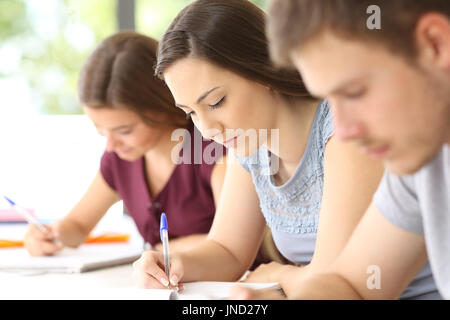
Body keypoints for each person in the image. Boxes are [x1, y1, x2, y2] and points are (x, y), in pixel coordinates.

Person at [129, 0, 434, 299]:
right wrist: (176, 263)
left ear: (261, 71)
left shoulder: (349, 134)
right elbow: (229, 250)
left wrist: (278, 275)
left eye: (216, 102)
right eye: (191, 112)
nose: (207, 130)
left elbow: (336, 277)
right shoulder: (250, 144)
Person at [231, 0, 449, 300]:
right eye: (329, 101)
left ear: (435, 44)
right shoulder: (424, 163)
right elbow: (352, 285)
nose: (344, 131)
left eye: (354, 93)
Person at [24, 31, 227, 256]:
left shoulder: (214, 148)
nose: (110, 145)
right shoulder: (120, 158)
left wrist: (158, 250)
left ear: (163, 107)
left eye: (124, 130)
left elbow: (231, 245)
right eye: (100, 129)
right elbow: (78, 226)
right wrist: (53, 234)